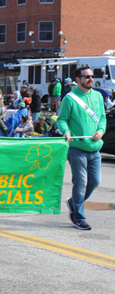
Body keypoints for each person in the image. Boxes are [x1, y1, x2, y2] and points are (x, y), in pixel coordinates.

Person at [57, 66, 106, 230]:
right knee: (80, 183)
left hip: (95, 148)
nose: (90, 79)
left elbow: (102, 118)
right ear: (77, 80)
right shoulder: (69, 99)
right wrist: (66, 131)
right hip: (77, 148)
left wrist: (100, 131)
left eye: (92, 76)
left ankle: (73, 203)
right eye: (86, 77)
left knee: (95, 182)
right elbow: (62, 120)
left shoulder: (98, 96)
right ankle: (78, 216)